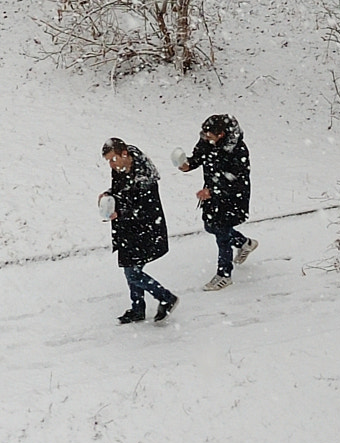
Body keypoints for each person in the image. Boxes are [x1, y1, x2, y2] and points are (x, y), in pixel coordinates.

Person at [101, 138, 178, 324]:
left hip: (145, 229)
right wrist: (108, 195)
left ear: (124, 154)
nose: (111, 165)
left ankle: (166, 298)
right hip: (129, 229)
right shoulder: (120, 168)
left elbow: (143, 209)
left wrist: (119, 213)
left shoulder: (144, 179)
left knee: (132, 272)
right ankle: (137, 309)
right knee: (132, 267)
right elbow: (122, 192)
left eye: (113, 159)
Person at [179, 114, 256, 290]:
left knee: (222, 233)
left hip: (232, 196)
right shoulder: (206, 141)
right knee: (210, 226)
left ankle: (224, 274)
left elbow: (235, 178)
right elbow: (199, 156)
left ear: (220, 134)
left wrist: (213, 191)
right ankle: (245, 243)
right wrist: (187, 164)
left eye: (209, 135)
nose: (206, 138)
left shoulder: (237, 149)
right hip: (212, 193)